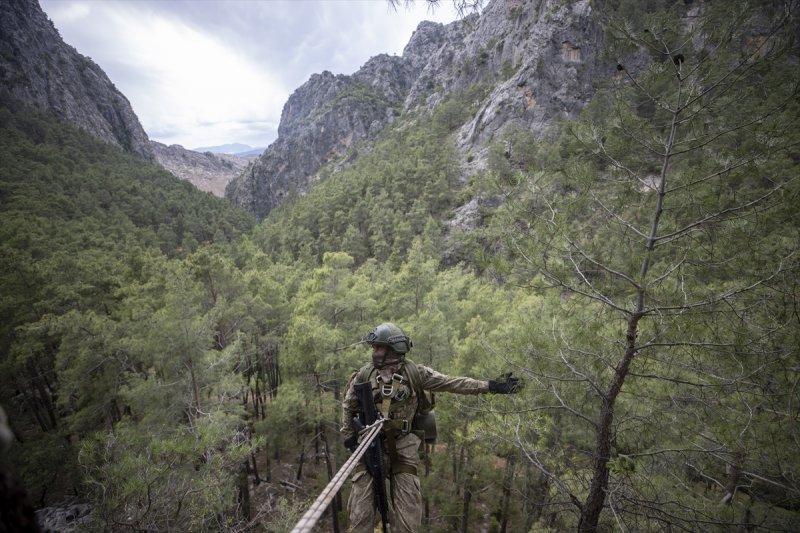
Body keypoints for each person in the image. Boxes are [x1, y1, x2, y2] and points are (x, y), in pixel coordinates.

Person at [341, 322, 521, 533]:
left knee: (408, 524)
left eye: (379, 347)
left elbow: (452, 383)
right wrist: (349, 436)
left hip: (403, 449)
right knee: (360, 519)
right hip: (369, 448)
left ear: (393, 349)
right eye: (374, 347)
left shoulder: (415, 373)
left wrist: (491, 386)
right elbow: (348, 406)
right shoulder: (364, 375)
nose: (374, 352)